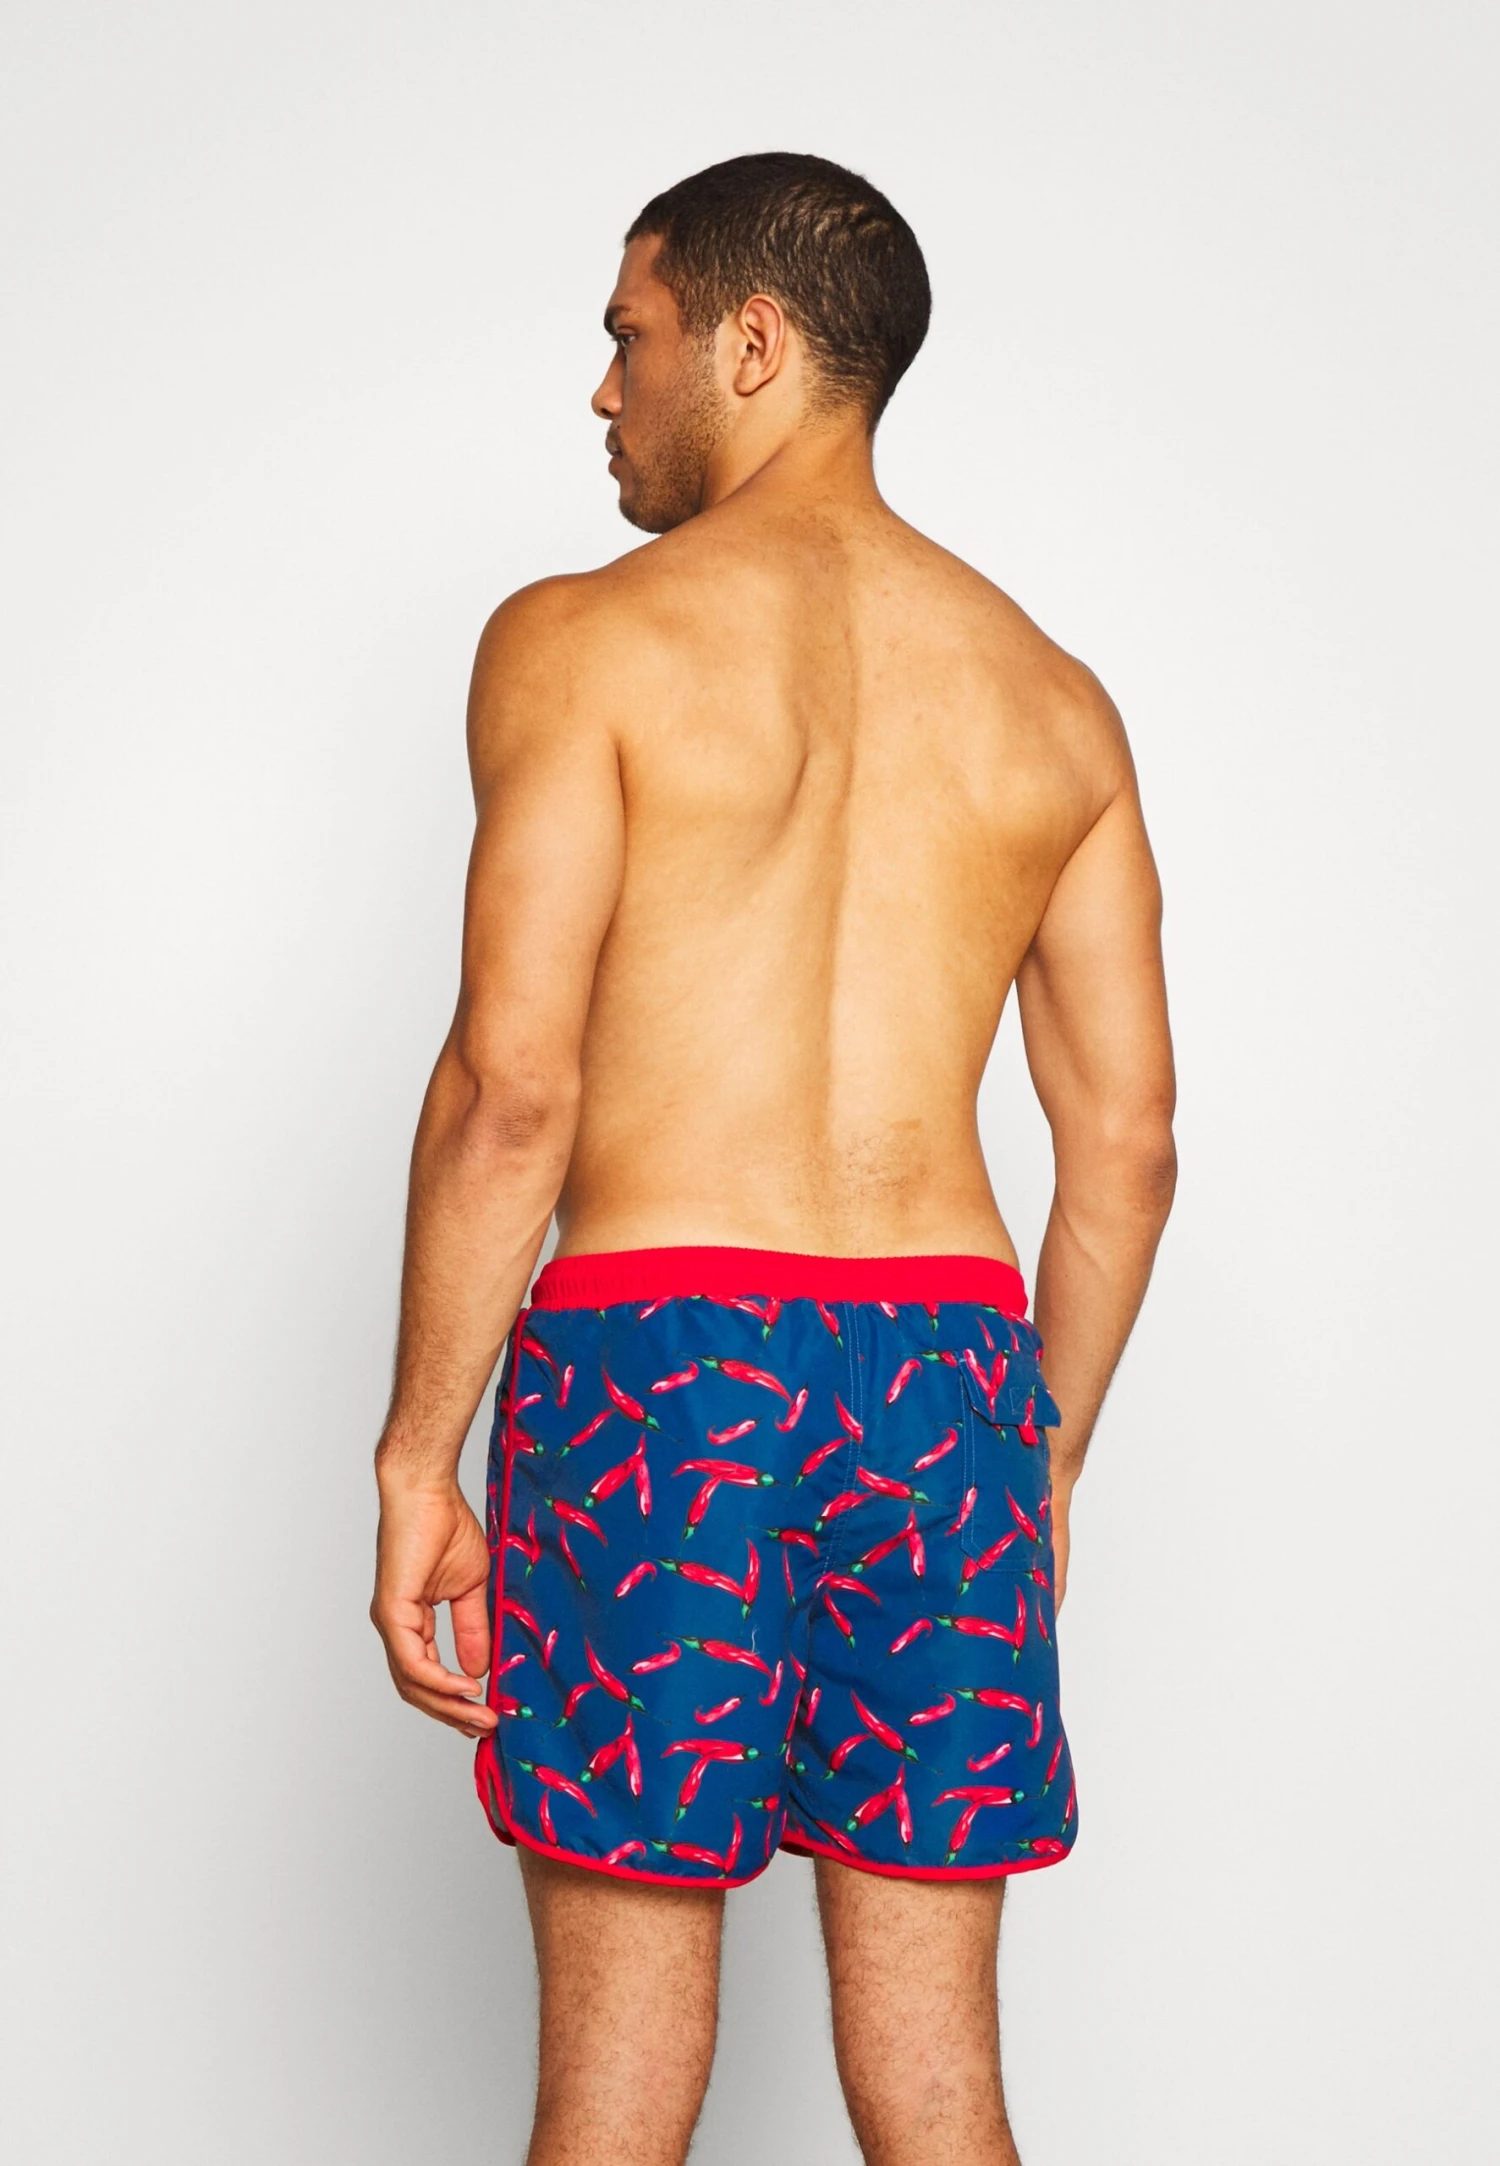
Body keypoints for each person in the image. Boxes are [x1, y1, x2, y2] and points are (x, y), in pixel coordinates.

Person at [371, 151, 1176, 2166]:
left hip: (665, 1361)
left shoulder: (582, 641)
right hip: (948, 1378)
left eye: (628, 334)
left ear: (752, 343)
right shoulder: (1052, 700)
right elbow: (1128, 1143)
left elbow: (512, 1090)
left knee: (617, 2100)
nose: (604, 388)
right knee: (940, 2093)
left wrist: (416, 1457)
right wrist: (1041, 1452)